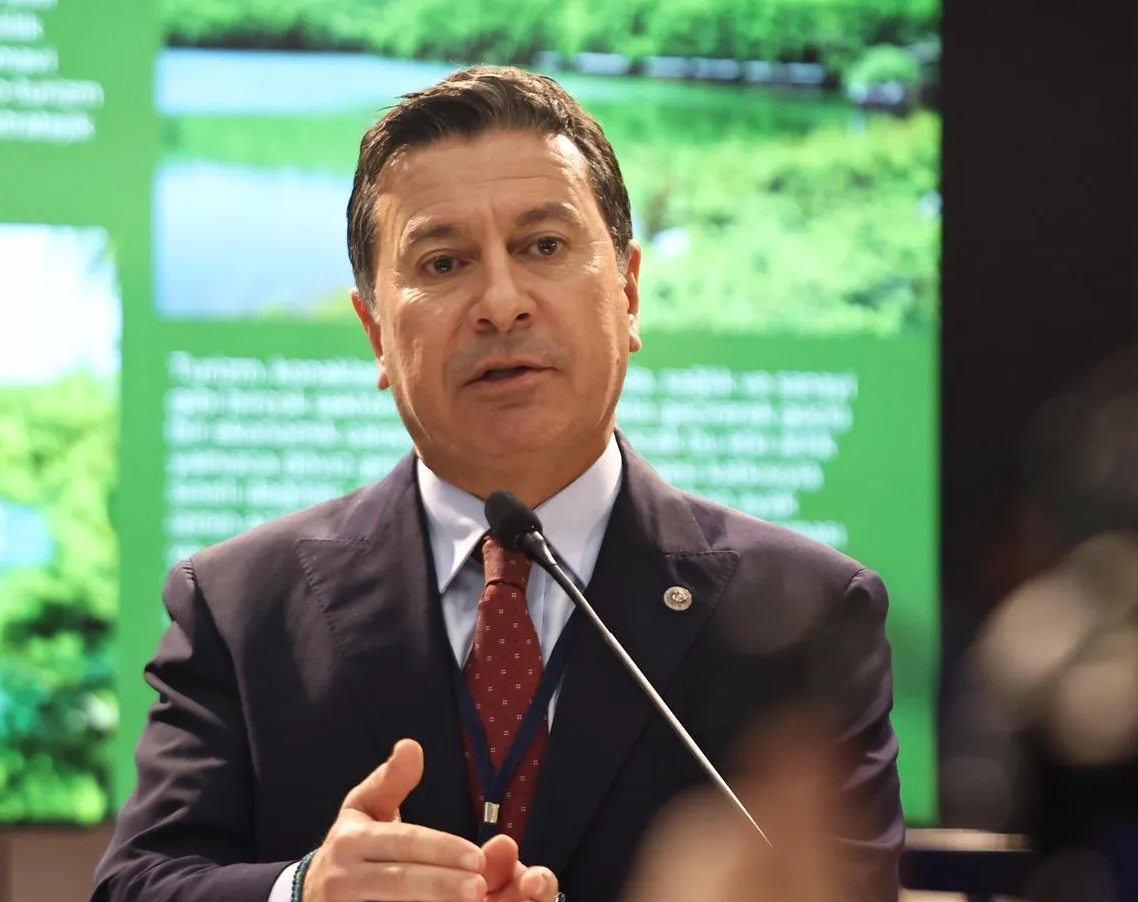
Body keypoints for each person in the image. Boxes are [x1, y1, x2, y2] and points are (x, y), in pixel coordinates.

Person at [91, 65, 903, 902]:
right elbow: (139, 885)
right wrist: (305, 892)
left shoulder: (807, 617)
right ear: (376, 332)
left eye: (543, 247)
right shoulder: (240, 609)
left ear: (628, 291)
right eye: (443, 262)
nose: (501, 303)